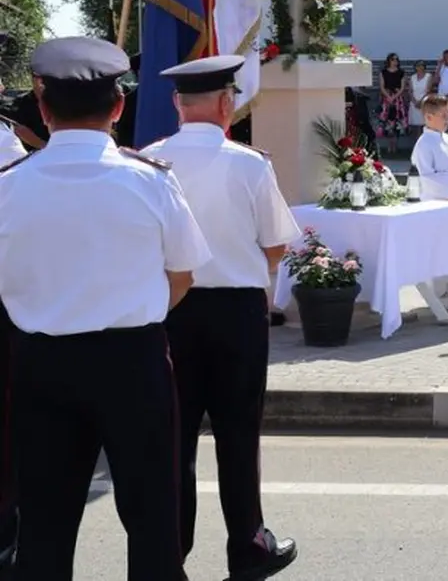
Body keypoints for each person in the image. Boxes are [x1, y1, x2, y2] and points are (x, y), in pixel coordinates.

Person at [0, 37, 211, 581]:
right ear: (118, 107)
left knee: (44, 525)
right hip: (132, 361)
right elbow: (184, 275)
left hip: (40, 363)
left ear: (43, 110)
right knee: (152, 523)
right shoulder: (151, 181)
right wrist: (133, 312)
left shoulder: (8, 188)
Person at [146, 54, 300, 578]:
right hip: (235, 312)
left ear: (176, 104)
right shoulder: (249, 164)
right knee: (239, 435)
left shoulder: (147, 162)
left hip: (170, 311)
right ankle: (248, 548)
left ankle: (170, 554)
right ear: (224, 103)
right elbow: (276, 246)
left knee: (174, 441)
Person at [410, 94, 448, 323]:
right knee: (436, 248)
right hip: (433, 205)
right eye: (443, 115)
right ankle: (437, 291)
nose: (447, 119)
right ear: (428, 116)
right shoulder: (423, 145)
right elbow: (425, 178)